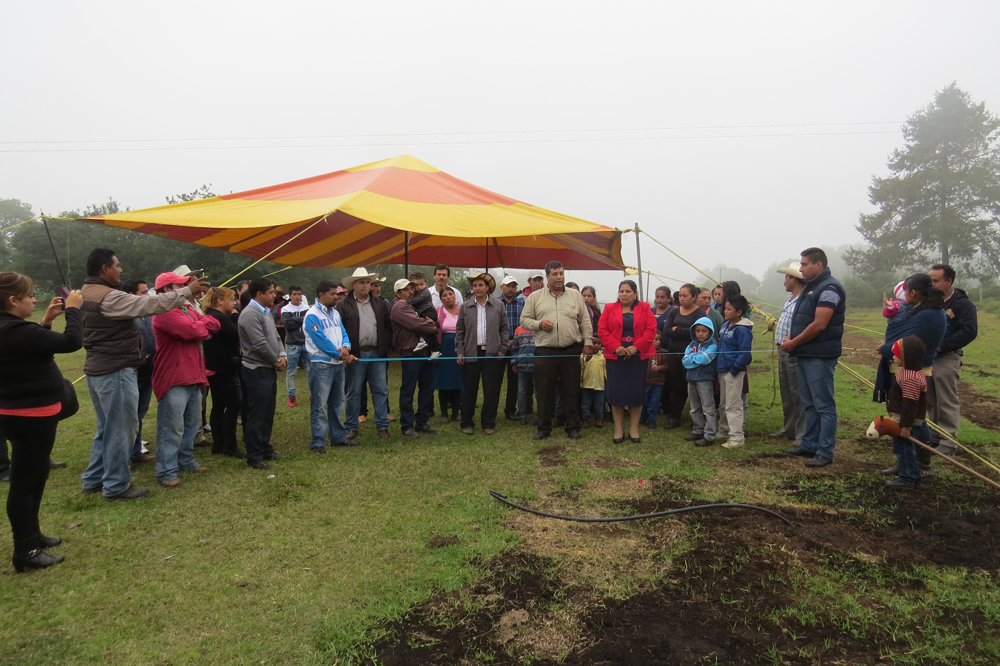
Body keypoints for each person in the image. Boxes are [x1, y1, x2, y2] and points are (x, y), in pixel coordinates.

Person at [80, 248, 210, 501]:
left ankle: (94, 479)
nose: (120, 270)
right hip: (115, 368)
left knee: (106, 428)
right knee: (121, 429)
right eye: (117, 265)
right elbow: (148, 304)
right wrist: (186, 291)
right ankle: (116, 485)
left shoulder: (87, 291)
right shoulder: (108, 297)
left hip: (100, 367)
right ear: (105, 269)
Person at [0, 273, 83, 571]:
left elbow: (30, 347)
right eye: (30, 295)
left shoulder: (12, 328)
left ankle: (33, 535)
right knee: (24, 483)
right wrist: (73, 309)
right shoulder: (14, 329)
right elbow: (71, 342)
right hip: (30, 415)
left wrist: (45, 322)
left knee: (35, 475)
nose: (35, 300)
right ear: (13, 300)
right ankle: (26, 550)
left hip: (21, 412)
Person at [151, 272, 220, 488]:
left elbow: (214, 324)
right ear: (166, 290)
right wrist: (202, 329)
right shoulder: (164, 310)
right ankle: (166, 470)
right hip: (174, 377)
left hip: (193, 375)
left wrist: (200, 327)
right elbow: (190, 331)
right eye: (179, 285)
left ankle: (186, 461)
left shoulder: (186, 308)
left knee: (192, 423)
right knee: (172, 427)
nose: (187, 289)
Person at [874, 274, 946, 476]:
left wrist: (885, 348)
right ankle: (913, 464)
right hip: (914, 369)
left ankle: (913, 467)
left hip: (910, 371)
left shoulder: (926, 314)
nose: (905, 295)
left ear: (913, 292)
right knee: (916, 419)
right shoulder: (930, 311)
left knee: (908, 420)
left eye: (906, 291)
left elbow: (907, 343)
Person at [779, 247, 846, 468]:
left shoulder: (829, 288)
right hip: (804, 353)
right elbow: (800, 319)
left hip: (819, 355)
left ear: (819, 265)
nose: (801, 269)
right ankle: (809, 444)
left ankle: (825, 451)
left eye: (804, 264)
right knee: (808, 403)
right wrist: (791, 338)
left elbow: (819, 324)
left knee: (823, 405)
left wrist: (794, 342)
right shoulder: (810, 287)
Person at [521, 261, 595, 441]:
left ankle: (573, 427)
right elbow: (524, 320)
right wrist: (539, 324)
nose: (559, 277)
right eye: (554, 274)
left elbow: (585, 321)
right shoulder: (535, 297)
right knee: (544, 391)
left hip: (571, 349)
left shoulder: (575, 296)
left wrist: (588, 343)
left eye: (561, 273)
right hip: (545, 350)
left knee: (572, 391)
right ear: (547, 277)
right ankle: (543, 428)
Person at [337, 267, 393, 440]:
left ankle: (382, 426)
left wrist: (385, 346)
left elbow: (387, 327)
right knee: (354, 392)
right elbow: (339, 329)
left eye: (368, 282)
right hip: (356, 355)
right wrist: (346, 352)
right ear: (353, 285)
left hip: (377, 353)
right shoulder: (343, 305)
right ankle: (351, 426)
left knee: (381, 390)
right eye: (362, 282)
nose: (366, 285)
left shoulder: (380, 304)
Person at [238, 277, 287, 470]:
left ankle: (265, 448)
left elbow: (276, 337)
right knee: (256, 415)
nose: (275, 295)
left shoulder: (266, 312)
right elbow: (258, 344)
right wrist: (275, 361)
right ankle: (255, 455)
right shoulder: (250, 314)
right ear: (259, 294)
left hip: (267, 370)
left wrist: (282, 354)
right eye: (271, 292)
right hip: (256, 371)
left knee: (267, 413)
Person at [928, 264, 978, 454]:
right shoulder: (930, 301)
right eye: (930, 280)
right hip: (928, 355)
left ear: (949, 281)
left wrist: (942, 346)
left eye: (936, 281)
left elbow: (969, 331)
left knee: (945, 397)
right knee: (930, 396)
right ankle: (935, 434)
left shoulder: (962, 304)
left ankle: (948, 440)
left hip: (947, 355)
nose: (932, 284)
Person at [598, 280, 657, 443]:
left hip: (638, 357)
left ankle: (634, 429)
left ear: (635, 294)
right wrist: (615, 346)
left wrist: (636, 347)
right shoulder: (609, 308)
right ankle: (618, 429)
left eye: (628, 291)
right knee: (616, 392)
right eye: (621, 291)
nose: (624, 294)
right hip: (616, 357)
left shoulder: (645, 307)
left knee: (636, 393)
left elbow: (651, 330)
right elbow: (602, 330)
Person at [456, 272, 509, 435]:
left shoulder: (498, 305)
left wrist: (502, 349)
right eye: (475, 286)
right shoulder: (465, 306)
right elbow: (460, 332)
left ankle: (488, 422)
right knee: (469, 390)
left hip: (492, 353)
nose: (477, 288)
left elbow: (504, 329)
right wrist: (460, 351)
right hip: (471, 352)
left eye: (480, 285)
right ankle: (467, 422)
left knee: (491, 390)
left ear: (487, 287)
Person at [304, 280, 354, 452]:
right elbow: (320, 339)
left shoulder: (335, 313)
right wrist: (338, 354)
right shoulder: (312, 315)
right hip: (321, 365)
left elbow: (343, 332)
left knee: (337, 403)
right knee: (319, 405)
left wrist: (346, 347)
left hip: (338, 365)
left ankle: (338, 437)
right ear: (321, 295)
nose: (336, 297)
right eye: (332, 294)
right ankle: (318, 441)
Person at [390, 278, 440, 438]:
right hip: (410, 353)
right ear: (398, 293)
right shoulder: (399, 307)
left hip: (424, 352)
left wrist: (431, 324)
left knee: (427, 388)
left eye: (411, 289)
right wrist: (433, 326)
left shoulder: (410, 306)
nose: (411, 292)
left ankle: (422, 421)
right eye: (406, 289)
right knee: (408, 390)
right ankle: (407, 425)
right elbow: (417, 325)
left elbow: (421, 323)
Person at [202, 287, 244, 458]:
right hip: (222, 369)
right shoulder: (220, 318)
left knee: (219, 405)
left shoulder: (210, 315)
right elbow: (236, 333)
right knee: (234, 404)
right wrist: (235, 317)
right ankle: (229, 445)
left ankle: (218, 443)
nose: (234, 303)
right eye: (231, 300)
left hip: (214, 367)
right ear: (221, 301)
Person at [769, 263, 807, 445]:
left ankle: (801, 433)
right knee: (786, 391)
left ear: (794, 279)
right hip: (783, 350)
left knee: (797, 392)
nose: (784, 281)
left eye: (786, 277)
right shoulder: (790, 299)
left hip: (794, 351)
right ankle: (789, 428)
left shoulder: (803, 300)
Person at [121, 278, 156, 465]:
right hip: (132, 371)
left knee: (139, 413)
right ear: (130, 295)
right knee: (128, 415)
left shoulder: (148, 313)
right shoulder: (125, 316)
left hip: (148, 371)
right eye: (143, 292)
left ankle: (136, 452)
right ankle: (124, 456)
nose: (147, 295)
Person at [660, 284, 703, 429]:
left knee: (693, 387)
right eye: (680, 296)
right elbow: (666, 331)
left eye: (685, 296)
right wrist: (685, 331)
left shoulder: (699, 314)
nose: (681, 298)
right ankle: (674, 417)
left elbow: (697, 334)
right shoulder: (674, 312)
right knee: (676, 386)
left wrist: (677, 329)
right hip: (674, 354)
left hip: (692, 356)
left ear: (694, 297)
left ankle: (696, 419)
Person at [716, 295, 753, 448]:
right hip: (722, 370)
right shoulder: (725, 325)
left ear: (739, 312)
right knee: (724, 404)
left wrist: (734, 370)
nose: (725, 311)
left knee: (733, 404)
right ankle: (724, 430)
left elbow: (744, 353)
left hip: (733, 372)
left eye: (729, 309)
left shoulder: (743, 330)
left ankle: (737, 437)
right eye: (725, 308)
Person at [682, 317, 718, 446]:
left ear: (710, 332)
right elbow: (685, 361)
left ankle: (709, 435)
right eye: (697, 331)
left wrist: (692, 358)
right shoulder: (691, 345)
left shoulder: (713, 345)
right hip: (691, 379)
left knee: (708, 408)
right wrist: (696, 359)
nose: (700, 334)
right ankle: (697, 430)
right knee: (694, 407)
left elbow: (704, 360)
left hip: (705, 380)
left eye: (704, 331)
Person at [497, 275, 524, 420]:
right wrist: (503, 341)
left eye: (513, 286)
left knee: (514, 381)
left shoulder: (521, 303)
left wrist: (516, 340)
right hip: (498, 346)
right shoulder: (495, 303)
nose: (510, 289)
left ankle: (510, 410)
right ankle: (492, 410)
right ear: (502, 287)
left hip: (516, 346)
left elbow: (524, 324)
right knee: (495, 380)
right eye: (508, 286)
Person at [435, 287, 463, 424]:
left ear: (455, 296)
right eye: (445, 295)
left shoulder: (462, 311)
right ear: (441, 299)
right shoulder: (438, 312)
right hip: (444, 350)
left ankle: (456, 412)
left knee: (458, 380)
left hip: (459, 350)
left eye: (450, 294)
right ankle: (444, 413)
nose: (448, 297)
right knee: (444, 381)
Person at [281, 285, 310, 407]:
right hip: (292, 344)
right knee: (291, 372)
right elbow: (287, 325)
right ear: (290, 296)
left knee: (311, 370)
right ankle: (291, 397)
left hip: (306, 343)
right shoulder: (285, 309)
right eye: (295, 294)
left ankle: (313, 394)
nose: (297, 297)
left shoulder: (307, 308)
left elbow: (308, 322)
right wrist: (301, 319)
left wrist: (294, 318)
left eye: (299, 294)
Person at [405, 271, 441, 356]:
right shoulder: (415, 292)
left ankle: (422, 341)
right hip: (423, 312)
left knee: (423, 327)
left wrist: (405, 301)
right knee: (429, 332)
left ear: (425, 283)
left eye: (421, 284)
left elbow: (415, 301)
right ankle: (435, 349)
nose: (419, 287)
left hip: (429, 311)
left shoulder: (425, 292)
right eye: (416, 285)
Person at [510, 322, 537, 425]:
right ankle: (522, 414)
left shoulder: (539, 329)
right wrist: (514, 362)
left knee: (538, 391)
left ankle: (540, 415)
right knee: (521, 391)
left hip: (536, 366)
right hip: (521, 365)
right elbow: (515, 348)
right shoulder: (518, 330)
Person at [580, 342, 606, 429]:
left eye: (598, 343)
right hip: (587, 383)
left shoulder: (603, 356)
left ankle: (599, 418)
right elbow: (582, 368)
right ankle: (585, 419)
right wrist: (580, 379)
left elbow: (605, 370)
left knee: (599, 403)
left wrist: (607, 379)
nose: (596, 345)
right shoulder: (583, 356)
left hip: (599, 384)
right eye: (594, 343)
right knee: (585, 403)